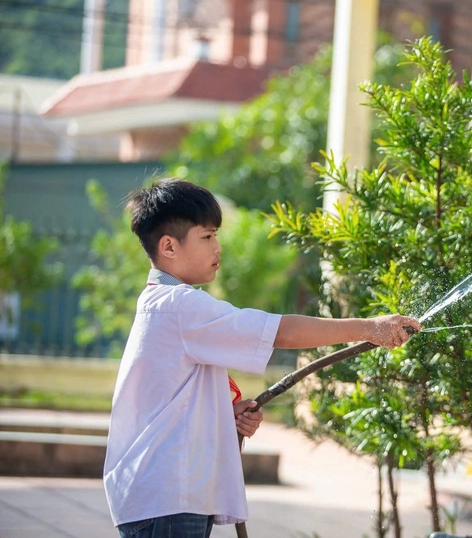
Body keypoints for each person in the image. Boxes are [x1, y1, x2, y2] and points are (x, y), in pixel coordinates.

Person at [104, 178, 421, 537]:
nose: (217, 247)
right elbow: (280, 332)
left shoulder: (164, 303)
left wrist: (222, 415)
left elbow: (171, 403)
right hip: (168, 497)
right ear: (169, 246)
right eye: (207, 237)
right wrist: (369, 328)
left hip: (164, 494)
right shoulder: (179, 305)